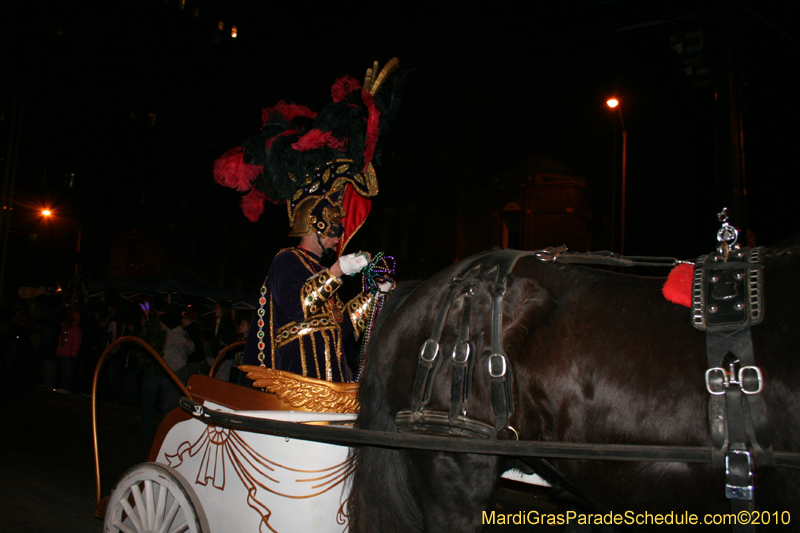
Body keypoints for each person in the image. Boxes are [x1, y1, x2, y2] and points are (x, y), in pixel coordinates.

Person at [213, 59, 402, 383]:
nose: (338, 229)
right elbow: (300, 305)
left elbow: (341, 326)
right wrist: (339, 270)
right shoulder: (286, 261)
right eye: (332, 218)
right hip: (296, 379)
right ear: (312, 219)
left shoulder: (320, 272)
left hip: (329, 380)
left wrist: (375, 295)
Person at [54, 309, 82, 393]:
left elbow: (76, 342)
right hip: (63, 352)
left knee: (68, 371)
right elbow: (61, 340)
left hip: (69, 354)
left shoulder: (76, 330)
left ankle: (67, 388)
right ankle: (63, 386)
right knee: (63, 370)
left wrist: (73, 353)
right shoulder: (64, 327)